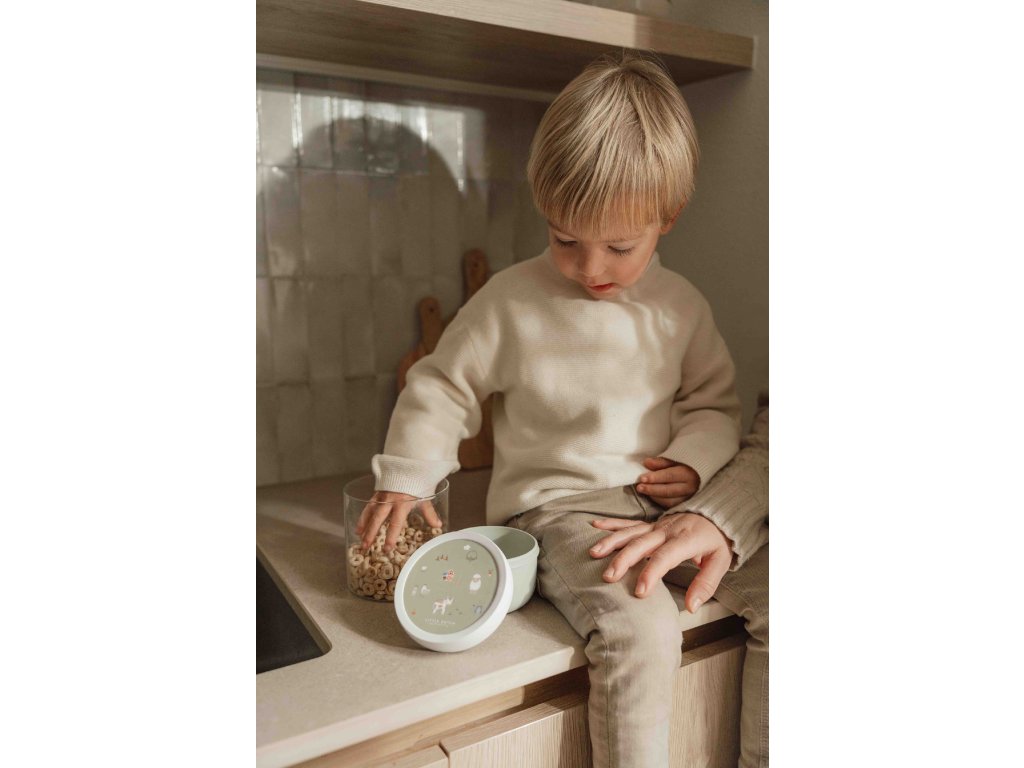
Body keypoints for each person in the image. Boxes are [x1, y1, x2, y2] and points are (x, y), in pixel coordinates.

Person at [356, 50, 765, 768]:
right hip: (557, 512)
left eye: (619, 246)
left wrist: (695, 465)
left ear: (667, 218)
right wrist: (408, 475)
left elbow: (712, 406)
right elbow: (443, 384)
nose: (589, 268)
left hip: (663, 510)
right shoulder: (511, 300)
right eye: (565, 239)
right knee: (642, 631)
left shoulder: (682, 308)